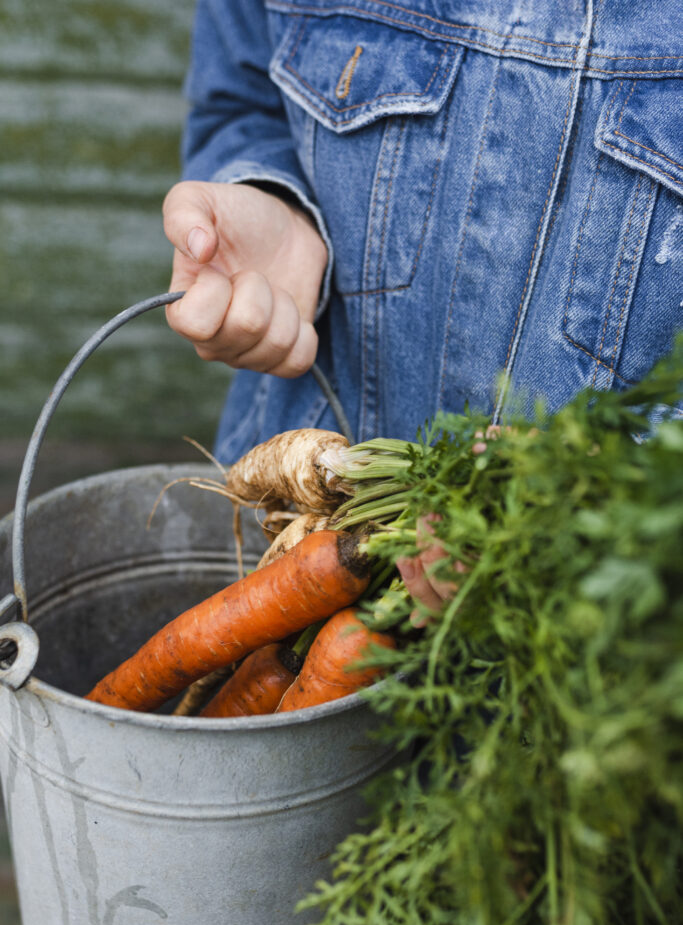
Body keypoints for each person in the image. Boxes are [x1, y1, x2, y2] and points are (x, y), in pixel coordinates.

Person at [163, 0, 683, 614]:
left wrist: (627, 476)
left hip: (601, 607)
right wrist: (273, 195)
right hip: (285, 533)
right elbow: (242, 100)